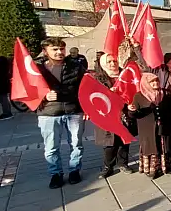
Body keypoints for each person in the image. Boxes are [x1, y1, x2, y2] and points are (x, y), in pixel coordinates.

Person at [34, 38, 87, 188]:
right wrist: (44, 96)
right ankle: (55, 174)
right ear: (45, 51)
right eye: (55, 49)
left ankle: (74, 170)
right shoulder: (37, 69)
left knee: (76, 144)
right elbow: (27, 89)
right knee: (51, 147)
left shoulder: (76, 66)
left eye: (61, 49)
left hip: (73, 111)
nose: (59, 52)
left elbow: (85, 87)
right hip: (48, 113)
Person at [133, 47, 171, 164]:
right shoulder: (161, 73)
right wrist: (137, 49)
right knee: (167, 135)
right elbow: (146, 65)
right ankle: (169, 157)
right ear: (167, 63)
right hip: (167, 110)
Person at [94, 54, 135, 178]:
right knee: (109, 143)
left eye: (115, 61)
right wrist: (108, 93)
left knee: (124, 140)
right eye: (109, 61)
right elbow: (94, 96)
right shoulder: (98, 78)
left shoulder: (125, 75)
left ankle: (123, 163)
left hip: (124, 113)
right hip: (107, 115)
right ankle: (108, 166)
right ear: (103, 64)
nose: (113, 63)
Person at [129, 73, 171, 178]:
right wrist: (131, 111)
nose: (156, 83)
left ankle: (167, 168)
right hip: (147, 128)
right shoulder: (139, 96)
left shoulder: (166, 93)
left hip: (164, 126)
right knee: (151, 147)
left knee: (165, 147)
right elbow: (135, 114)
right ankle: (153, 170)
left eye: (157, 81)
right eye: (152, 81)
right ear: (146, 83)